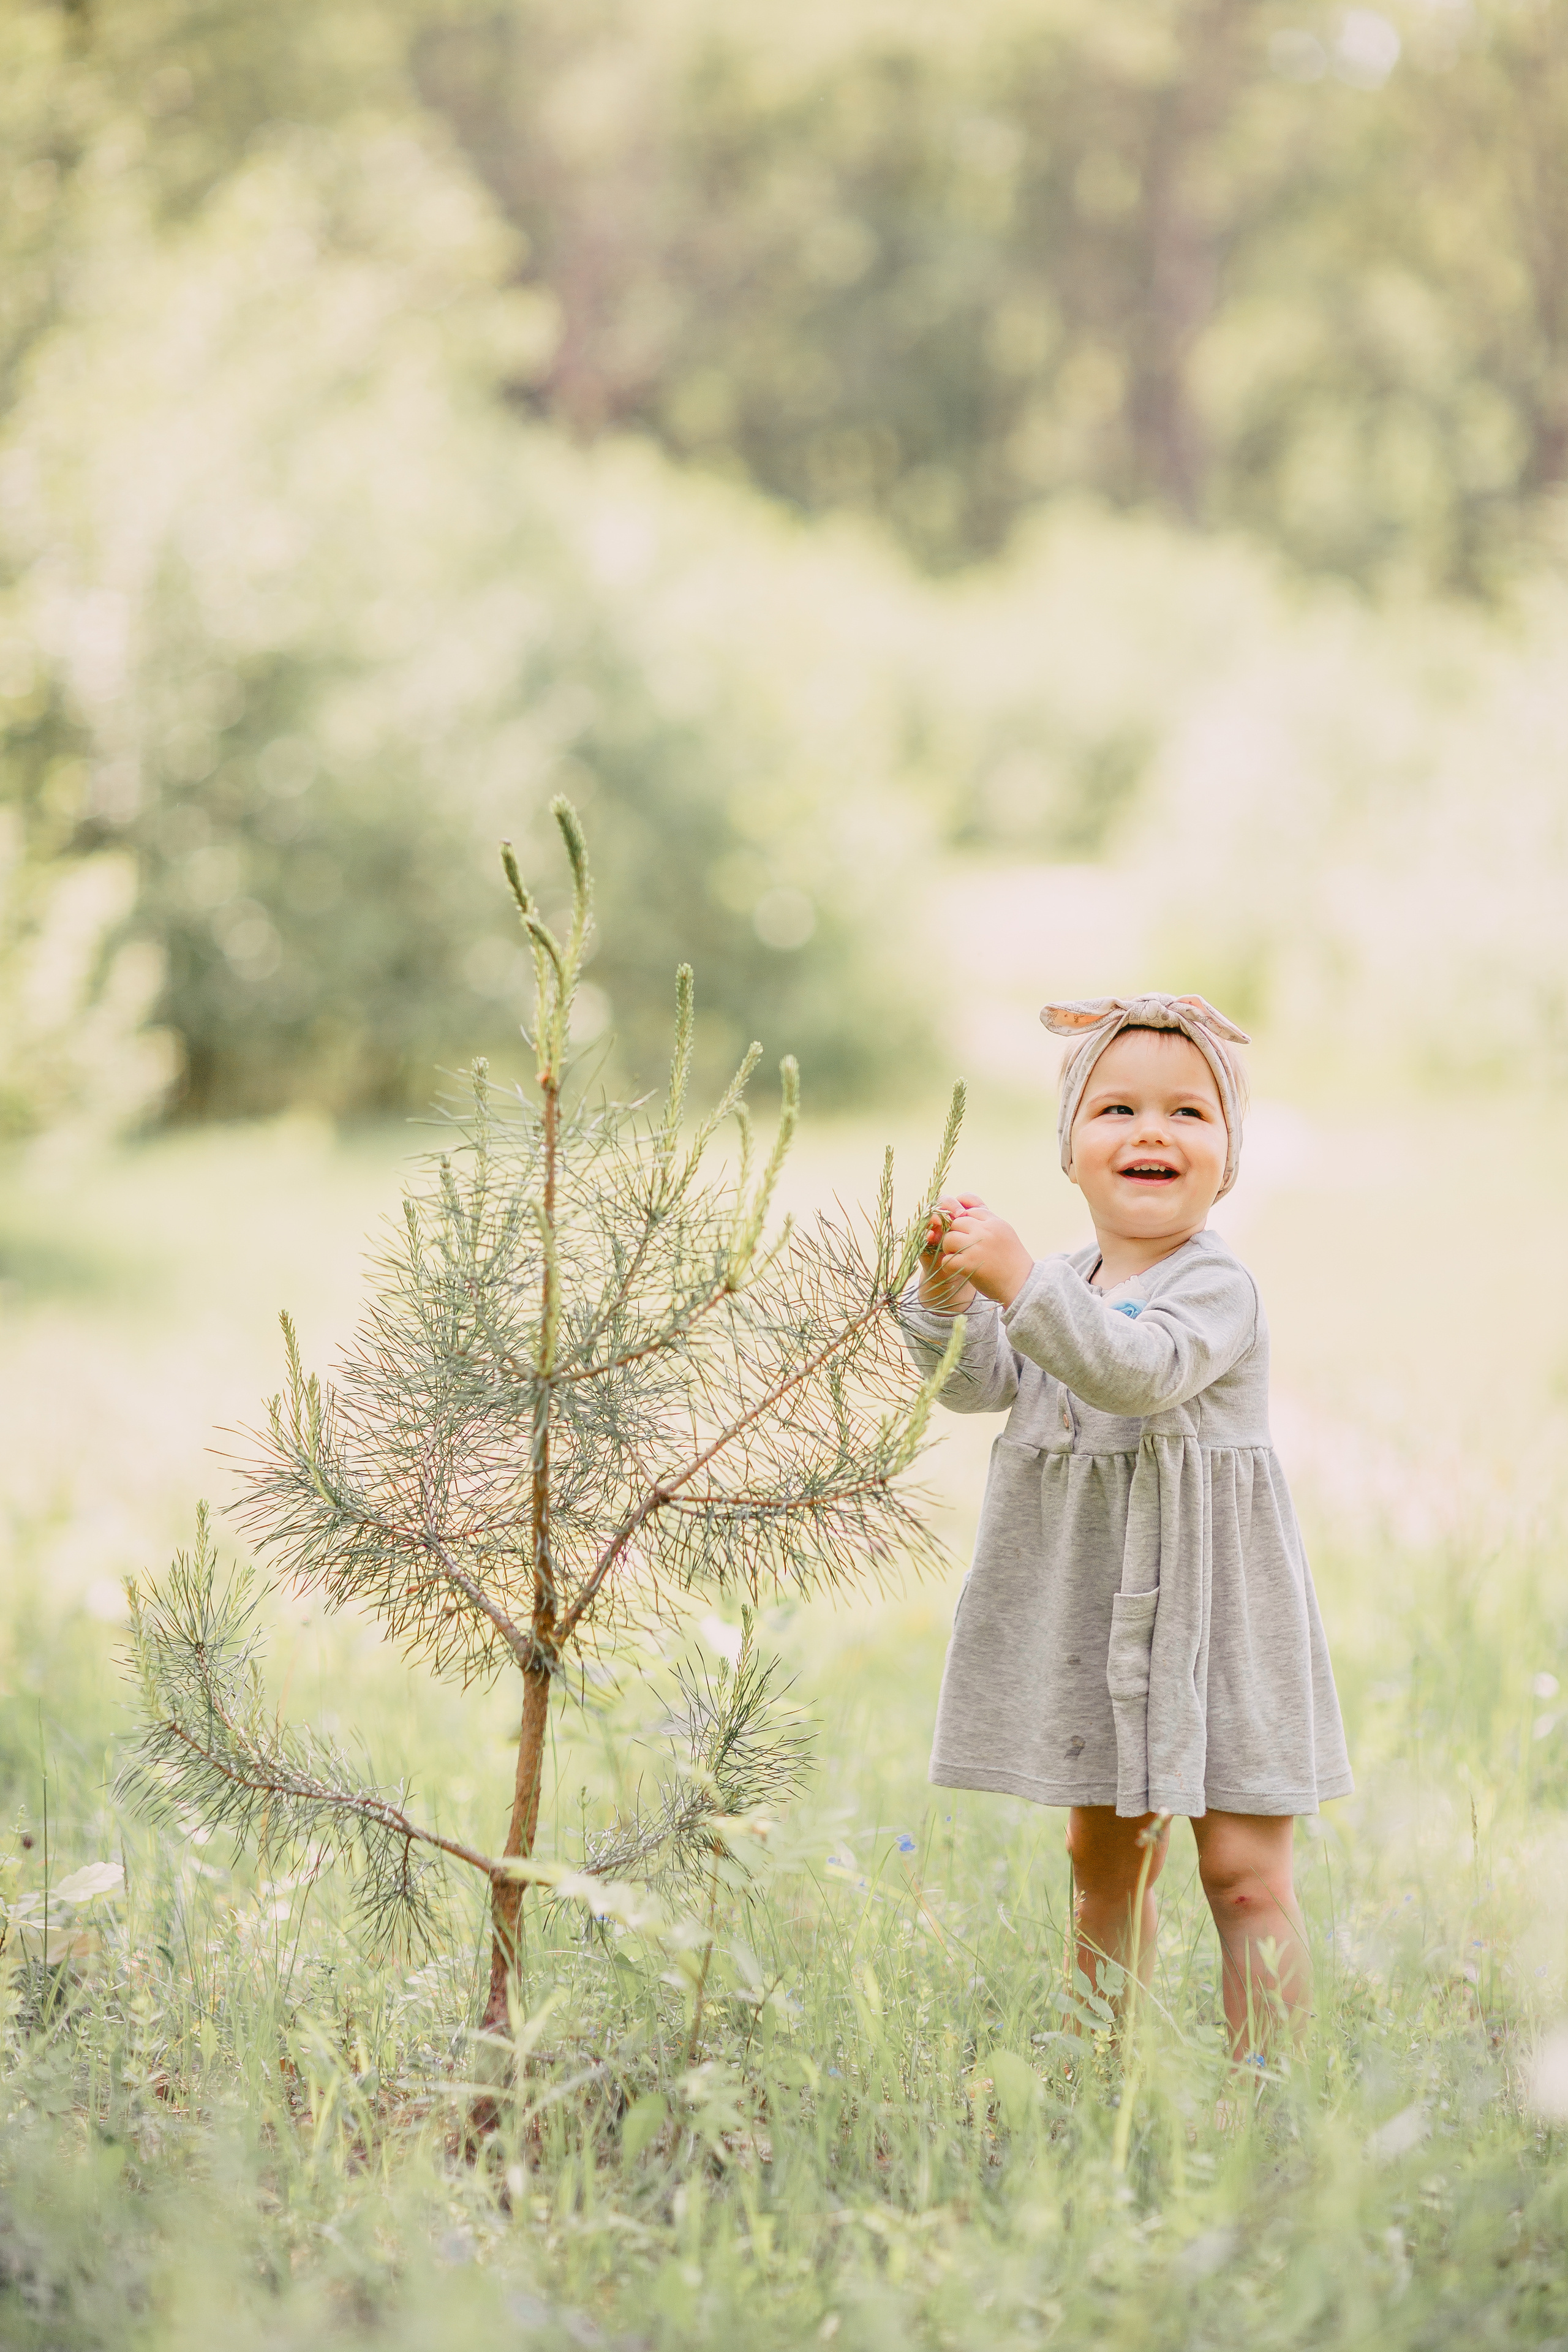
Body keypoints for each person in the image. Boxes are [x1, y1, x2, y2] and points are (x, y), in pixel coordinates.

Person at [900, 993, 1351, 2057]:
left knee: (1244, 1878)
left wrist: (1017, 1279)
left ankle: (1272, 2100)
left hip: (1216, 1618)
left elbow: (1134, 1372)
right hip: (1099, 1622)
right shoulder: (1067, 1279)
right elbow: (980, 1389)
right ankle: (1100, 2076)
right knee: (1104, 1873)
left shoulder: (1216, 1285)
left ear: (1228, 1156)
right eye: (1118, 1110)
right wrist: (949, 1296)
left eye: (1189, 1113)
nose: (1152, 1131)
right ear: (1071, 1148)